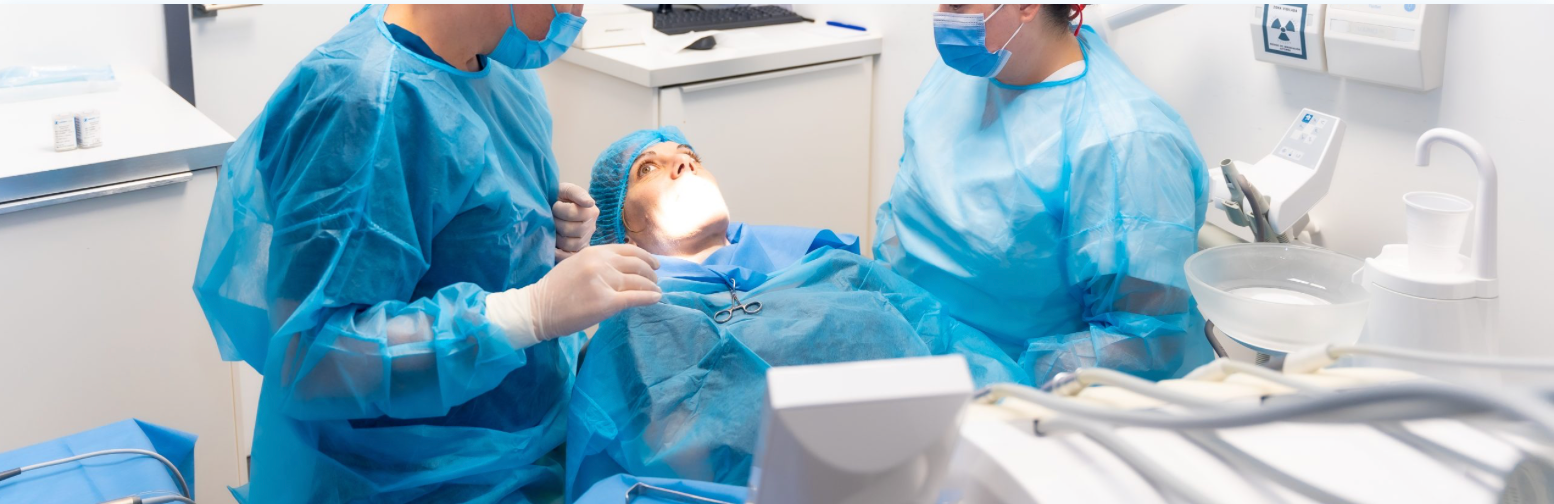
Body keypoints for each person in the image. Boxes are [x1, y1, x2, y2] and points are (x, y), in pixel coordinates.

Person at [191, 5, 663, 502]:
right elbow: (313, 358)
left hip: (522, 444)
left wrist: (540, 234)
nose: (579, 10)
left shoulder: (496, 66)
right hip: (402, 480)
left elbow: (454, 228)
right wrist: (527, 312)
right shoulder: (363, 100)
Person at [565, 127, 1027, 499]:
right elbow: (633, 468)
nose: (682, 164)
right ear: (621, 227)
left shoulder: (838, 270)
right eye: (649, 168)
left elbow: (963, 360)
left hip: (931, 475)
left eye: (688, 155)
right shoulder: (636, 323)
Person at [874, 4, 1213, 386]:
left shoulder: (1124, 145)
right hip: (909, 339)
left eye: (957, 5)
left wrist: (996, 376)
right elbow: (907, 206)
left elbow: (1143, 343)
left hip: (1027, 399)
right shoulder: (970, 71)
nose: (943, 15)